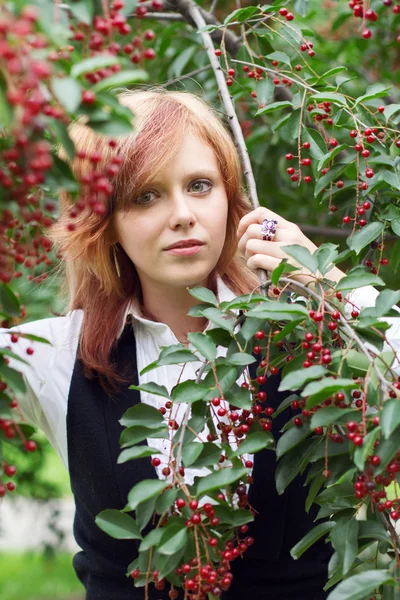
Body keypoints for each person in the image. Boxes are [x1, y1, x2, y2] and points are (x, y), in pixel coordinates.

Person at [1, 87, 399, 600]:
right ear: (109, 223)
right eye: (146, 195)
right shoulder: (59, 357)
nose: (183, 214)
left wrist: (329, 284)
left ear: (230, 199)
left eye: (200, 185)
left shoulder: (309, 333)